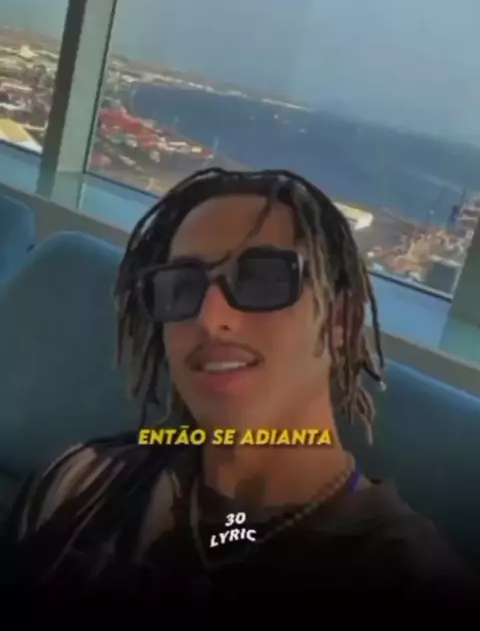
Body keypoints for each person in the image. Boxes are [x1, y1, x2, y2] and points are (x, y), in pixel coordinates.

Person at [0, 168, 475, 613]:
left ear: (341, 322)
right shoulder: (76, 485)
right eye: (180, 287)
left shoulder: (412, 583)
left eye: (263, 279)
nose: (210, 319)